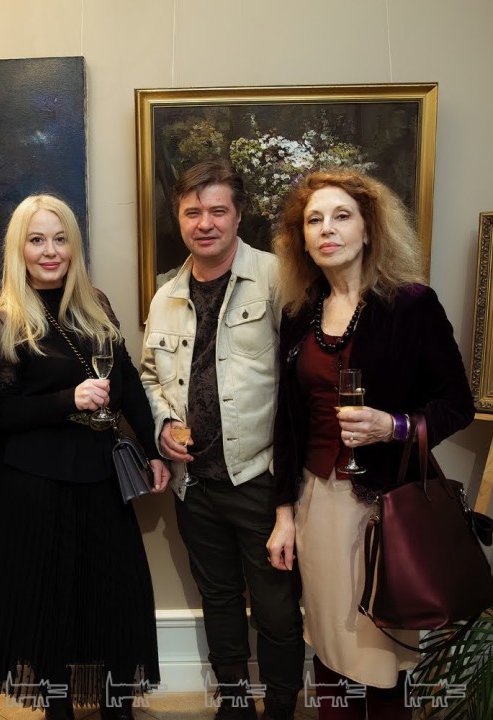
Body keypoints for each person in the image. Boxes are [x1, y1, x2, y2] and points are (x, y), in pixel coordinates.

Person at [266, 168, 475, 720]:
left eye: (342, 216)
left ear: (368, 229)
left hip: (386, 508)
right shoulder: (298, 313)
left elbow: (458, 404)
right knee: (328, 643)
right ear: (301, 238)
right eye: (314, 220)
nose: (327, 229)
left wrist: (393, 426)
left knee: (380, 655)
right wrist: (284, 513)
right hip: (317, 503)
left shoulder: (411, 305)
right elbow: (287, 424)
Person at [0, 194, 169, 720]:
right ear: (18, 248)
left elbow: (127, 383)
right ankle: (58, 710)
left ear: (74, 246)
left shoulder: (95, 304)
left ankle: (116, 708)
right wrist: (69, 399)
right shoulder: (4, 317)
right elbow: (0, 413)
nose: (50, 251)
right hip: (33, 482)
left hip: (100, 474)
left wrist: (154, 448)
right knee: (50, 603)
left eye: (60, 239)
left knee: (112, 596)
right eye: (37, 240)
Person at [140, 160, 305, 720]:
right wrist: (163, 425)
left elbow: (302, 380)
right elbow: (148, 376)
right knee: (219, 600)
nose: (204, 223)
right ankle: (234, 707)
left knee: (277, 609)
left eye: (217, 211)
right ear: (179, 218)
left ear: (238, 215)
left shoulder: (278, 278)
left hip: (260, 478)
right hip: (194, 486)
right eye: (193, 212)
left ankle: (280, 708)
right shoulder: (166, 294)